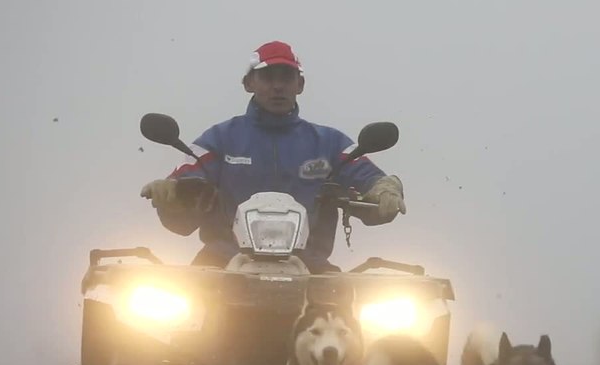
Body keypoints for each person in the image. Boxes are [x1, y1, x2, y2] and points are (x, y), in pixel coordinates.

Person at [139, 40, 406, 272]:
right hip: (221, 265)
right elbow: (188, 174)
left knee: (356, 320)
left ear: (299, 84)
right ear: (248, 83)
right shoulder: (220, 139)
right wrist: (170, 192)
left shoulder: (330, 144)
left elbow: (369, 176)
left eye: (286, 77)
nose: (278, 86)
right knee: (167, 322)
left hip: (311, 269)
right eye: (268, 77)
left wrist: (385, 189)